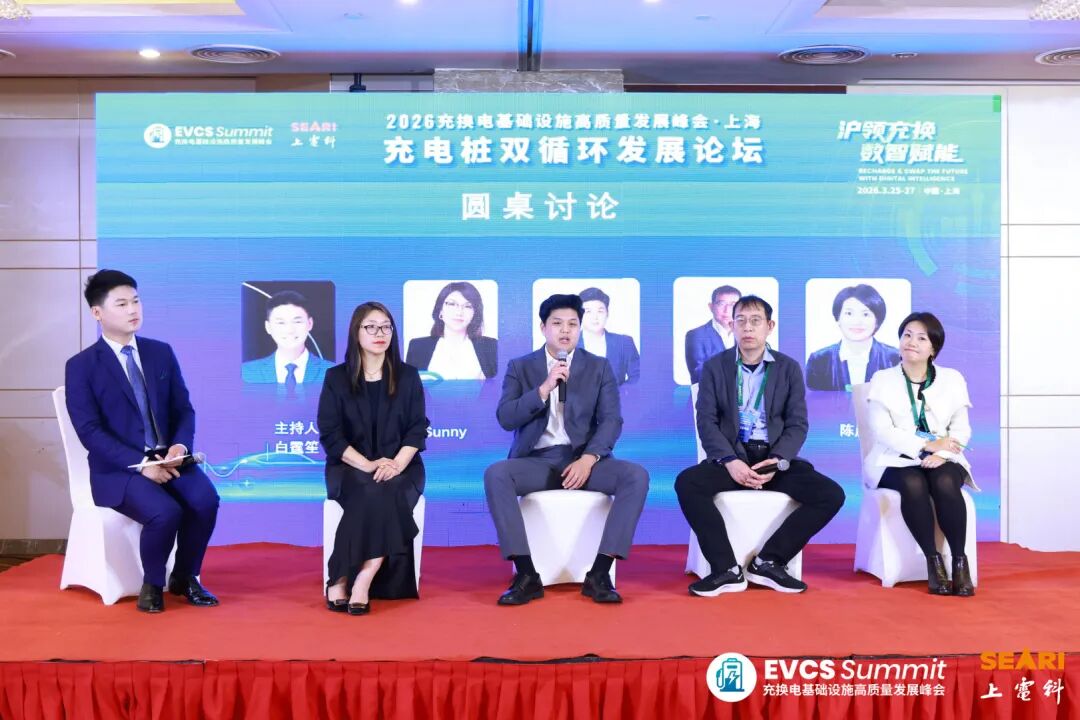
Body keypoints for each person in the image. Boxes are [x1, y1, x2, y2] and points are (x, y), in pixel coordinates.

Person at [64, 270, 220, 613]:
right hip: (119, 468)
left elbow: (183, 409)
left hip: (167, 459)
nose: (133, 309)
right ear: (97, 313)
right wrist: (142, 466)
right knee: (165, 512)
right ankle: (152, 584)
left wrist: (180, 446)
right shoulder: (81, 366)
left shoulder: (160, 353)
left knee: (205, 500)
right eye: (121, 304)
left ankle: (185, 577)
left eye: (136, 301)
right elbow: (89, 431)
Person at [483, 294, 649, 606]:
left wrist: (588, 458)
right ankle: (526, 575)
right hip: (537, 462)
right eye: (557, 323)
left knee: (636, 476)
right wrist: (543, 389)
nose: (565, 330)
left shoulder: (599, 367)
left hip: (585, 461)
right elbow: (506, 418)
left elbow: (611, 420)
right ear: (543, 327)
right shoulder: (521, 367)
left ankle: (599, 573)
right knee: (496, 475)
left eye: (573, 324)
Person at [675, 295, 845, 596]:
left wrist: (777, 460)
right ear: (731, 326)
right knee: (687, 483)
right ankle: (725, 569)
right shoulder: (715, 367)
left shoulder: (788, 368)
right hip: (733, 459)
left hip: (773, 461)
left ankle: (769, 561)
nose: (747, 327)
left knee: (831, 495)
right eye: (740, 320)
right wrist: (730, 461)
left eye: (755, 321)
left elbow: (797, 424)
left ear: (770, 326)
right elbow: (707, 422)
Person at [319, 301, 428, 615]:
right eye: (371, 326)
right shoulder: (336, 378)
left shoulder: (408, 376)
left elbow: (417, 429)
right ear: (356, 332)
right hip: (349, 466)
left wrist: (396, 464)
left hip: (403, 467)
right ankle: (345, 577)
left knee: (388, 488)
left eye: (386, 326)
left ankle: (358, 578)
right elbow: (331, 435)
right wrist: (368, 464)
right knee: (370, 489)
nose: (380, 333)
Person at [864, 312, 976, 596]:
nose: (911, 342)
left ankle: (960, 563)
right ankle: (933, 562)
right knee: (913, 483)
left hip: (945, 456)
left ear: (933, 348)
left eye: (921, 338)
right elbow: (882, 430)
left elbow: (961, 430)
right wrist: (925, 446)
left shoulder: (952, 379)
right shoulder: (883, 379)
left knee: (944, 481)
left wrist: (943, 453)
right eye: (907, 335)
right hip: (894, 458)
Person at [805, 284, 901, 391]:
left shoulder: (895, 359)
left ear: (877, 321)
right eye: (849, 313)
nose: (857, 321)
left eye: (865, 314)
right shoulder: (819, 360)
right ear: (838, 318)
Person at [406, 281, 498, 380]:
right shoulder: (417, 347)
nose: (459, 312)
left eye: (468, 306)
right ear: (440, 310)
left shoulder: (491, 346)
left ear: (475, 313)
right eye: (452, 304)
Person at [242, 290, 334, 386]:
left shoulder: (332, 371)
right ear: (268, 327)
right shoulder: (247, 373)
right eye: (281, 323)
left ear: (310, 323)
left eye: (297, 322)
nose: (289, 330)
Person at [577, 287, 640, 385]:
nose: (595, 317)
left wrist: (619, 393)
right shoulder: (567, 345)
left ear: (607, 314)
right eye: (588, 311)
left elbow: (638, 377)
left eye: (600, 311)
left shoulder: (624, 343)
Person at [684, 285, 740, 384]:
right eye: (721, 304)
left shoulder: (745, 334)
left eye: (733, 305)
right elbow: (700, 373)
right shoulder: (696, 335)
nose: (727, 310)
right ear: (711, 307)